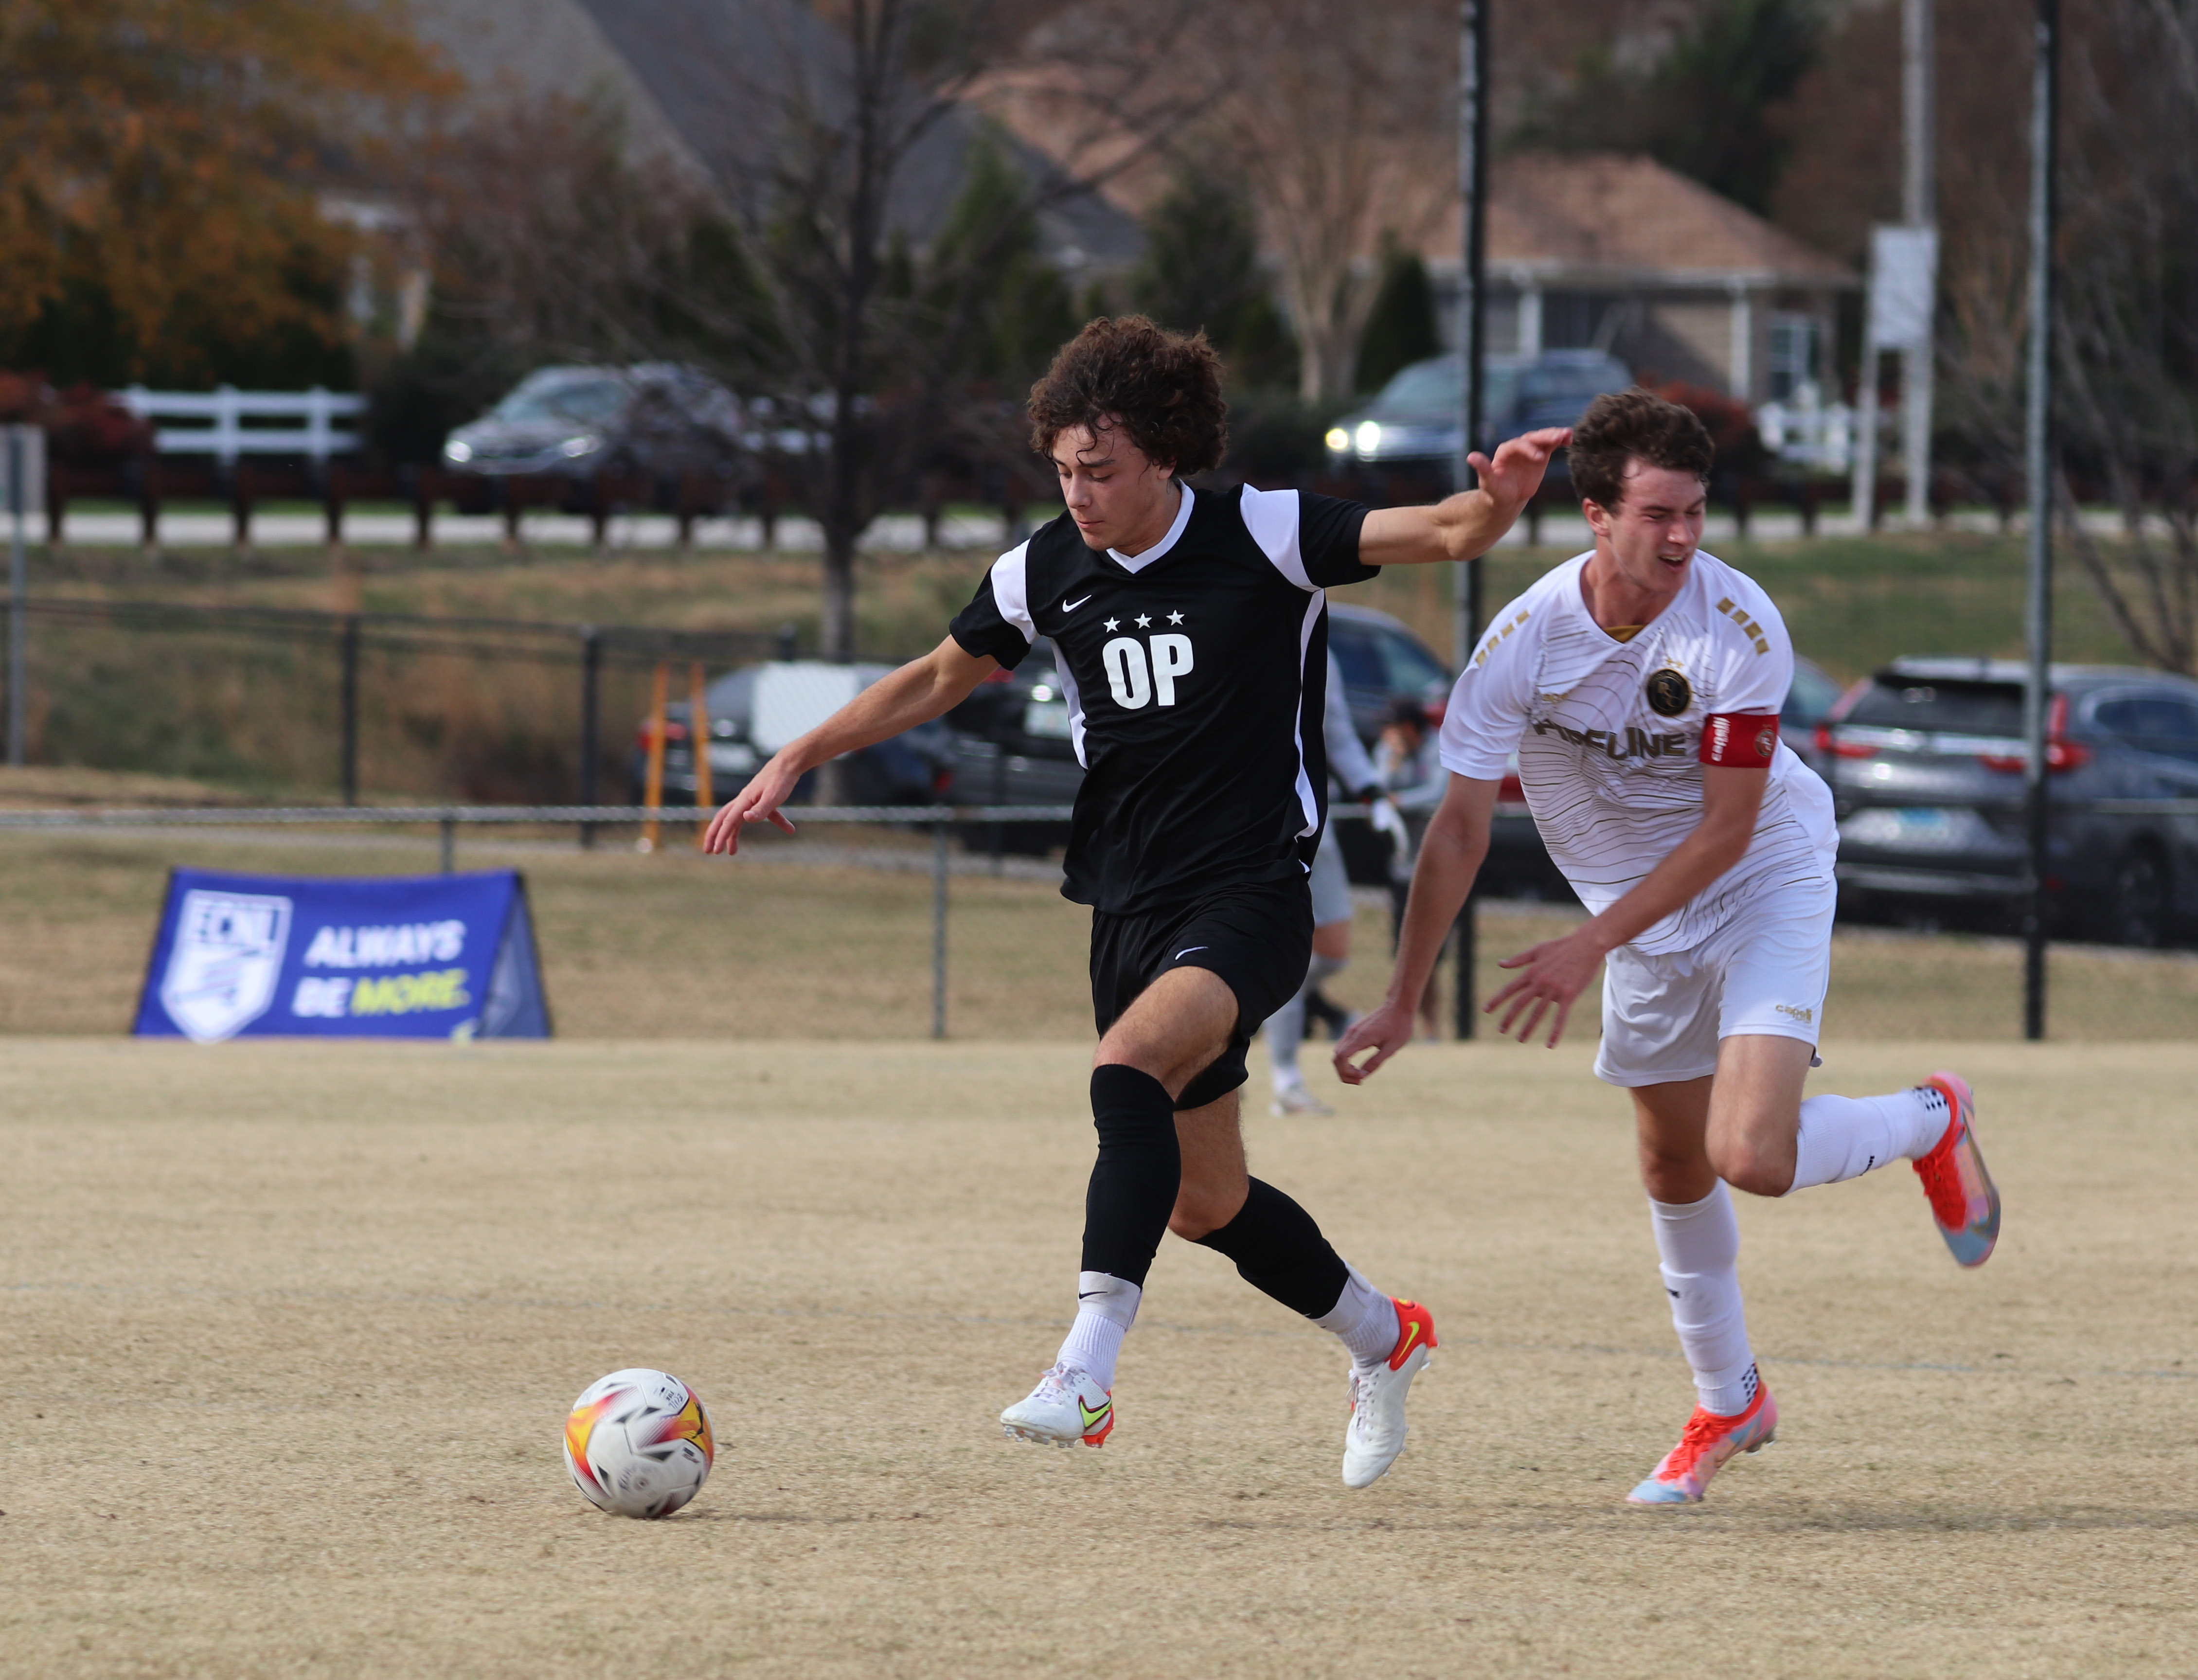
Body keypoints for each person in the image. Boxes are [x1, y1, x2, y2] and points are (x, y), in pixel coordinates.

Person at [706, 316, 1567, 1486]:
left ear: (1167, 454)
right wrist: (801, 751)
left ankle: (1084, 1371)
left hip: (1254, 888)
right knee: (1204, 1201)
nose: (1080, 494)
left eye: (1101, 471)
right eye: (1063, 471)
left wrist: (1499, 500)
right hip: (1125, 905)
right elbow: (935, 675)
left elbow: (1447, 530)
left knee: (1123, 1073)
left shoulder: (1263, 532)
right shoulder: (1041, 569)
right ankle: (1386, 1338)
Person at [1335, 389, 2000, 1506]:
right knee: (1669, 1160)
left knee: (1752, 1155)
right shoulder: (1521, 644)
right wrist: (1404, 998)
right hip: (1635, 908)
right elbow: (1454, 829)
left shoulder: (1736, 628)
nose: (1682, 535)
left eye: (1693, 510)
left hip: (1759, 879)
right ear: (1595, 514)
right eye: (1657, 513)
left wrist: (1588, 943)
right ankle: (1728, 1398)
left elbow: (1727, 827)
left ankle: (1932, 1114)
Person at [1259, 650, 1403, 1117]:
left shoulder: (1318, 648)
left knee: (1332, 952)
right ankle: (1287, 1082)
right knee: (1286, 958)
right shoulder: (1220, 620)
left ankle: (1240, 1005)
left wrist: (1372, 792)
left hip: (1313, 820)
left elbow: (1336, 732)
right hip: (1252, 822)